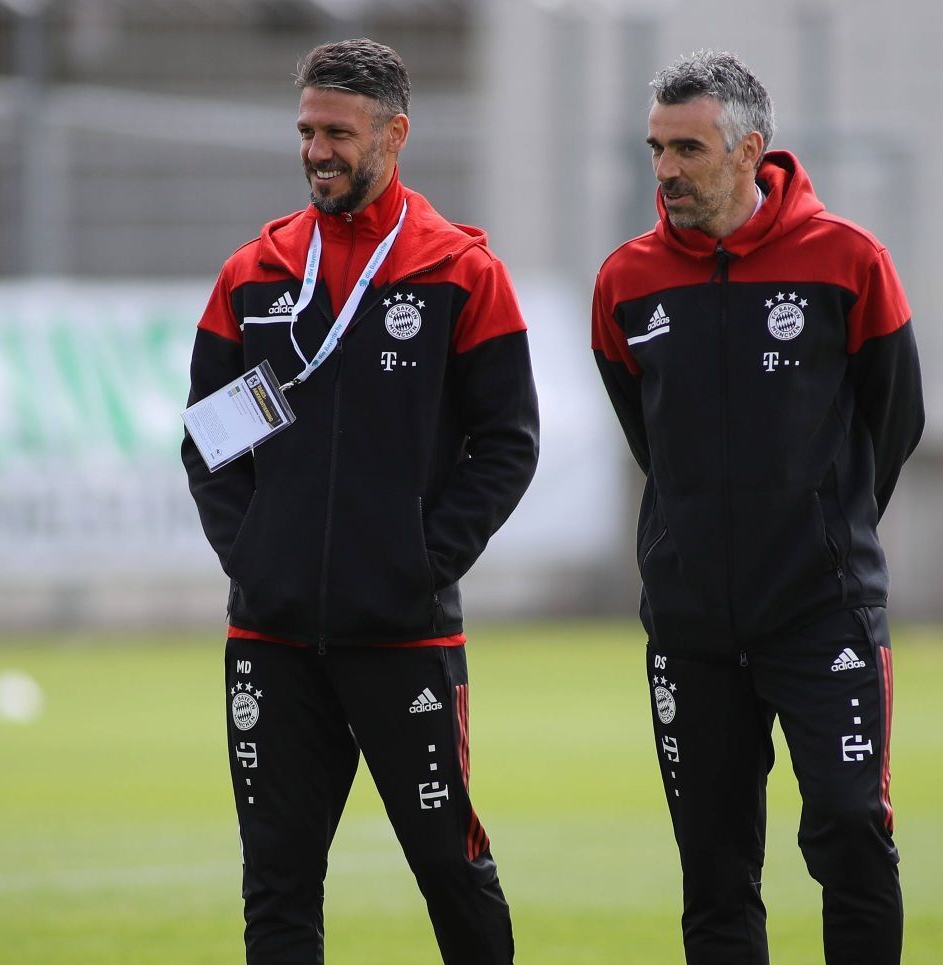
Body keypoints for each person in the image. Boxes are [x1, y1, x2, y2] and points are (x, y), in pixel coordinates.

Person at [182, 39, 538, 964]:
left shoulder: (460, 273)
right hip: (273, 636)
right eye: (306, 131)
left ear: (394, 133)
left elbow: (507, 443)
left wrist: (421, 560)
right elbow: (209, 444)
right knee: (278, 887)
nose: (316, 151)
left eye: (337, 131)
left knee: (449, 870)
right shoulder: (252, 275)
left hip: (402, 634)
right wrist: (257, 555)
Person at [590, 50, 924, 964]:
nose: (664, 170)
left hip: (822, 616)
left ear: (749, 152)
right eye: (655, 148)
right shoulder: (625, 283)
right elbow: (646, 434)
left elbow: (895, 420)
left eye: (687, 149)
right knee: (714, 871)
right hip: (691, 627)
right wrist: (689, 539)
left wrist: (822, 530)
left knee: (853, 830)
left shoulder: (848, 261)